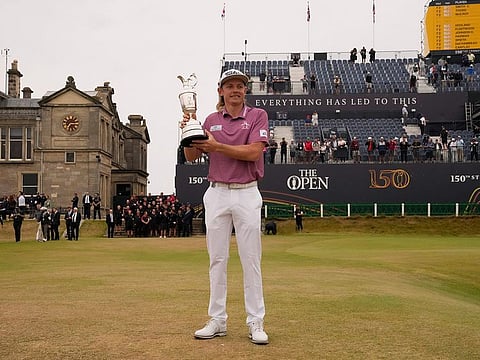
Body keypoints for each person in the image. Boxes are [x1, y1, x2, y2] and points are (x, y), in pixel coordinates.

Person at [181, 69, 269, 344]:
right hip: (217, 192)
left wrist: (217, 146)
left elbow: (254, 152)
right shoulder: (209, 120)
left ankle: (256, 322)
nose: (235, 90)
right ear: (220, 90)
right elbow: (191, 154)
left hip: (246, 192)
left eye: (239, 86)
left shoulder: (257, 116)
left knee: (250, 260)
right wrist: (187, 130)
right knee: (217, 260)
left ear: (245, 91)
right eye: (229, 86)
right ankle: (217, 320)